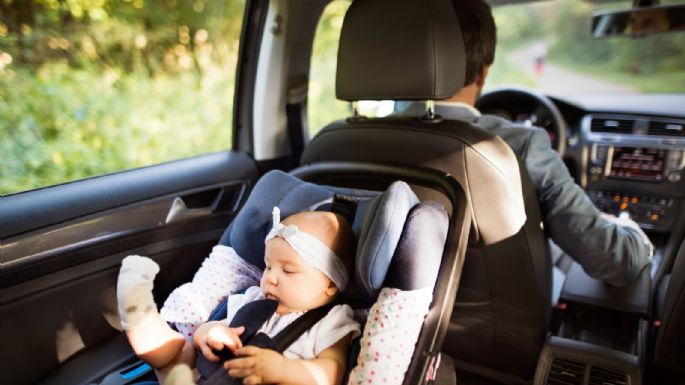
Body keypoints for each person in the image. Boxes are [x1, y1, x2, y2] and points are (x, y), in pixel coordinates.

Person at [400, 0, 653, 288]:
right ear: (483, 72)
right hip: (500, 329)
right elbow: (615, 261)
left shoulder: (338, 143)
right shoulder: (520, 145)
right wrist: (633, 233)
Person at [116, 207, 360, 385]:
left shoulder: (332, 320)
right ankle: (142, 321)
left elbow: (333, 372)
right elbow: (214, 328)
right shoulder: (253, 299)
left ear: (329, 284)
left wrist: (282, 369)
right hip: (207, 377)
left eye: (287, 270)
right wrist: (208, 332)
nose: (270, 278)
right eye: (268, 266)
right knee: (181, 351)